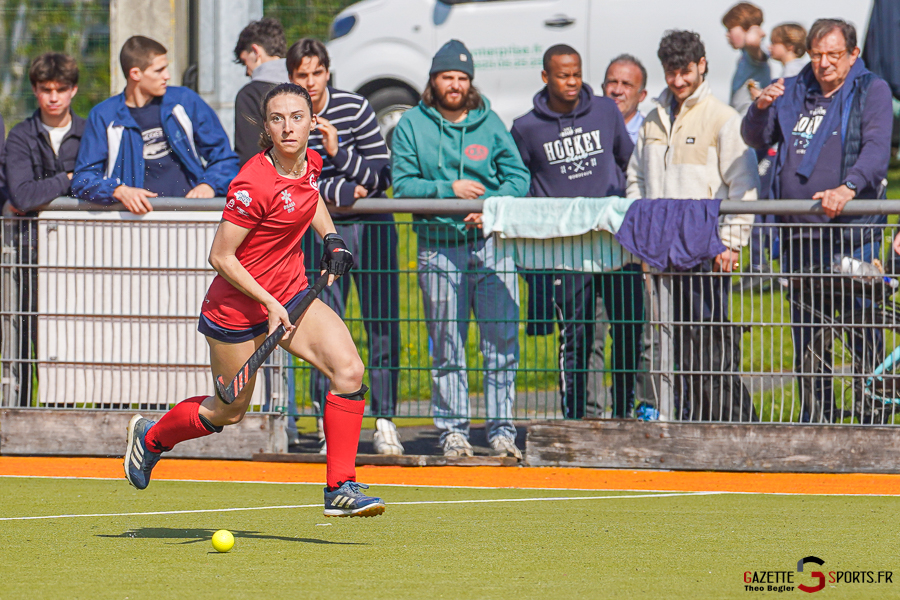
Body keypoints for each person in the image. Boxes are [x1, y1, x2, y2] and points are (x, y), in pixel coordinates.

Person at [124, 83, 385, 517]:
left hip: (290, 294)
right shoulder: (252, 183)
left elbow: (311, 195)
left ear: (312, 122)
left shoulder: (310, 162)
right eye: (278, 119)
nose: (288, 127)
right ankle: (151, 439)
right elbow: (219, 256)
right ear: (266, 127)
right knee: (229, 411)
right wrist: (268, 302)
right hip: (236, 310)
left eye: (297, 117)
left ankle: (340, 486)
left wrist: (332, 237)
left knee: (349, 370)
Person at [741, 19, 893, 422]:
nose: (823, 63)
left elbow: (877, 149)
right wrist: (759, 109)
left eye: (833, 55)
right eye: (816, 54)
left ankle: (873, 415)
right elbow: (756, 138)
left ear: (853, 55)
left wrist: (847, 187)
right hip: (799, 236)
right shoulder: (792, 90)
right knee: (808, 333)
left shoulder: (870, 90)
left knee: (862, 325)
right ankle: (818, 416)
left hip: (851, 235)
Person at [392, 39, 530, 458]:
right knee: (447, 342)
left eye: (462, 77)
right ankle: (452, 430)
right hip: (437, 248)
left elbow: (518, 177)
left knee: (502, 341)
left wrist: (491, 208)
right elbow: (402, 185)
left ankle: (502, 429)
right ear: (433, 79)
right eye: (447, 76)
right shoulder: (412, 125)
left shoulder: (490, 123)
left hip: (490, 246)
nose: (455, 84)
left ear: (470, 82)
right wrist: (447, 191)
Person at [628, 30, 759, 421]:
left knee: (711, 345)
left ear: (701, 65)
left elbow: (744, 183)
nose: (678, 80)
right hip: (663, 253)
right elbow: (635, 178)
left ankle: (734, 422)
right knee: (673, 344)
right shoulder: (652, 118)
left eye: (685, 70)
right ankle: (687, 418)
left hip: (706, 251)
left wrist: (732, 241)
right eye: (671, 71)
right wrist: (645, 229)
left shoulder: (723, 118)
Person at [511, 44, 641, 420]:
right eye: (563, 75)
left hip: (616, 243)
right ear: (545, 77)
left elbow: (629, 163)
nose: (572, 82)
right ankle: (577, 416)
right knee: (578, 337)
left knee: (628, 330)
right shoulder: (525, 127)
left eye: (577, 73)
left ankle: (624, 412)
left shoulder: (605, 110)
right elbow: (520, 182)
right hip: (566, 254)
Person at [287, 39, 402, 455]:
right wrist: (343, 189)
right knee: (324, 327)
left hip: (373, 229)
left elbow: (379, 174)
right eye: (302, 75)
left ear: (328, 72)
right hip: (321, 232)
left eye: (317, 73)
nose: (311, 82)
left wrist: (339, 153)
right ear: (292, 77)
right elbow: (299, 184)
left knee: (383, 323)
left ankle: (385, 418)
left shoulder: (354, 107)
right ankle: (325, 422)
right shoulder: (290, 116)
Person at [73, 36, 239, 214]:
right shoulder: (104, 115)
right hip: (131, 224)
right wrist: (118, 191)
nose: (167, 76)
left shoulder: (185, 101)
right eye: (159, 70)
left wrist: (209, 185)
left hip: (188, 219)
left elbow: (225, 158)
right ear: (135, 74)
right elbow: (83, 179)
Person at [1, 52, 83, 406]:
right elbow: (19, 194)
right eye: (45, 88)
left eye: (61, 88)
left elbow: (99, 184)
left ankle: (62, 410)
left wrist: (44, 191)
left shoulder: (88, 132)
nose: (53, 97)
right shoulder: (20, 135)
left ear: (73, 90)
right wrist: (68, 178)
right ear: (35, 90)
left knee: (63, 337)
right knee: (19, 336)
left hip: (74, 253)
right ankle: (16, 412)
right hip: (26, 249)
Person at [233, 18, 289, 166]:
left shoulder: (250, 95)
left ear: (256, 51)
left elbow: (250, 155)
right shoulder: (306, 85)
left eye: (245, 62)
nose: (247, 72)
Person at [722, 2, 771, 115]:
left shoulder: (754, 56)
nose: (727, 35)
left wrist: (753, 25)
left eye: (730, 29)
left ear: (747, 29)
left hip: (751, 123)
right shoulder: (744, 57)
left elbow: (752, 41)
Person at [602, 54, 648, 145]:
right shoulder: (590, 128)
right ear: (603, 88)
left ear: (642, 95)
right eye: (612, 82)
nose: (617, 91)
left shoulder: (649, 132)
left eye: (627, 84)